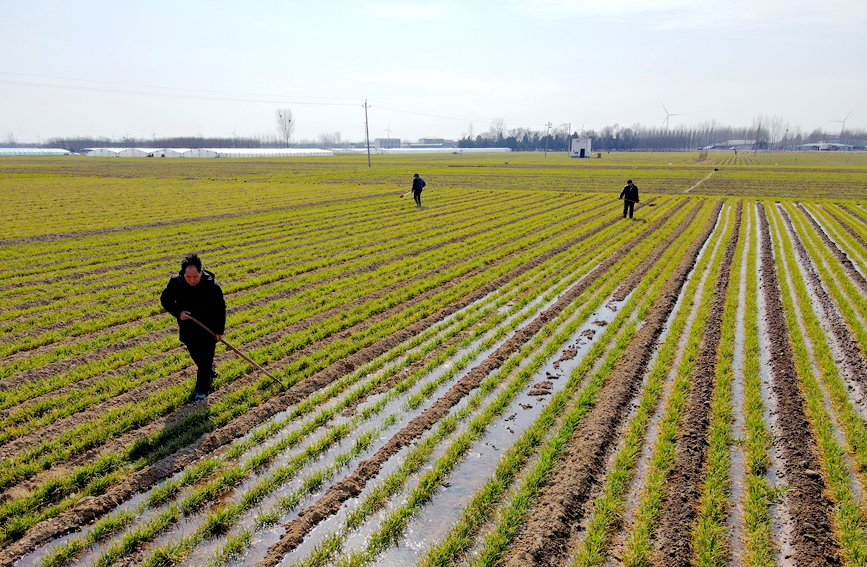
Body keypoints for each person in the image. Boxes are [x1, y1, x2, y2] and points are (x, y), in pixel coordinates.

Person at [160, 253, 226, 401]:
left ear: (201, 271)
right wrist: (179, 312)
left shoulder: (212, 286)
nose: (192, 280)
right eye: (188, 277)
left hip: (208, 329)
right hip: (188, 329)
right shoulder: (175, 282)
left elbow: (220, 309)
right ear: (183, 273)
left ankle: (201, 391)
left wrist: (219, 331)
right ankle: (208, 370)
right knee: (197, 357)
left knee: (204, 360)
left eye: (195, 276)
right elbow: (165, 299)